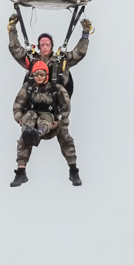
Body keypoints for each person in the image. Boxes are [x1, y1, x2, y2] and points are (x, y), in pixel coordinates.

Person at [10, 60, 82, 188]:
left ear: (47, 75)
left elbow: (66, 108)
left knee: (64, 136)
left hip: (50, 122)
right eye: (36, 75)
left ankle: (73, 170)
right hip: (31, 121)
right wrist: (19, 119)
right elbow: (18, 106)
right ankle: (21, 172)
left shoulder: (56, 89)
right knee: (25, 133)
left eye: (41, 75)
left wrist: (58, 122)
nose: (39, 77)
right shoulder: (28, 87)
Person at [7, 14, 93, 93]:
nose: (45, 47)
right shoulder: (31, 59)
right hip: (33, 101)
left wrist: (85, 33)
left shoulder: (61, 60)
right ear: (38, 46)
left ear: (51, 46)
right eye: (42, 44)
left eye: (47, 44)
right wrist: (12, 28)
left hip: (57, 102)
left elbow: (79, 53)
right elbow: (15, 49)